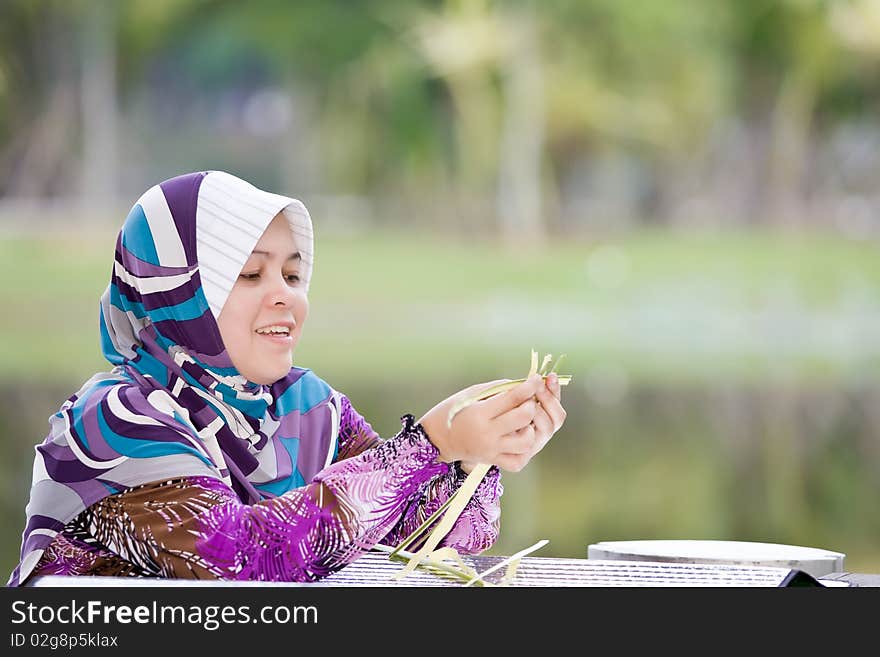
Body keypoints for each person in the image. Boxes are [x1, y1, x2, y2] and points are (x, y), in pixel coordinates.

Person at [7, 171, 566, 586]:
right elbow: (248, 562)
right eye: (249, 273)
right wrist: (428, 444)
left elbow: (429, 543)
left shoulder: (308, 407)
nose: (285, 294)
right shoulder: (116, 420)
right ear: (176, 292)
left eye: (293, 273)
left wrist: (474, 456)